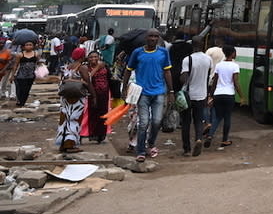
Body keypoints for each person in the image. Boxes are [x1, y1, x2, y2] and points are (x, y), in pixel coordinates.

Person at [122, 29, 173, 162]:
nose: (153, 39)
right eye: (151, 36)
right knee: (143, 123)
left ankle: (151, 143)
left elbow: (167, 72)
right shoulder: (137, 53)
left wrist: (171, 91)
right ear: (146, 38)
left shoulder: (163, 53)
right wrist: (124, 89)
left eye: (156, 36)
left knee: (156, 121)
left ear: (159, 39)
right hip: (142, 94)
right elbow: (128, 71)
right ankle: (140, 151)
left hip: (159, 92)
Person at [180, 37, 212, 157]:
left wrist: (182, 76)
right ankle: (198, 139)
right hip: (202, 94)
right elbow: (208, 76)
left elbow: (184, 79)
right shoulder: (208, 59)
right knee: (199, 120)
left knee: (186, 122)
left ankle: (187, 149)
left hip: (188, 95)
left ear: (192, 45)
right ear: (203, 44)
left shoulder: (187, 59)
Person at [55, 48, 90, 153]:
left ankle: (62, 143)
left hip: (66, 97)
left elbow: (62, 80)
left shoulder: (67, 67)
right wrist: (93, 95)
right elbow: (88, 82)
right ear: (82, 56)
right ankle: (70, 144)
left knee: (64, 120)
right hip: (77, 98)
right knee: (74, 120)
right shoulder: (82, 67)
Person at [207, 45, 240, 150]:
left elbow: (215, 82)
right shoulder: (235, 66)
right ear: (233, 53)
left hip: (218, 94)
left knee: (217, 117)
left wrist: (210, 96)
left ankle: (210, 135)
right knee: (227, 118)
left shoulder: (219, 65)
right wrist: (242, 96)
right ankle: (225, 140)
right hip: (229, 95)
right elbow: (235, 82)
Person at [84, 51, 111, 143]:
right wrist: (97, 68)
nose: (93, 59)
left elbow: (109, 78)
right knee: (93, 114)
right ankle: (93, 134)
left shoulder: (105, 66)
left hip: (104, 93)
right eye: (91, 57)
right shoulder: (86, 68)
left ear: (99, 57)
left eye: (95, 57)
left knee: (103, 114)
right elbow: (88, 78)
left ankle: (101, 135)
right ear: (88, 59)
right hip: (92, 93)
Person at [11, 41, 39, 107]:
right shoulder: (20, 55)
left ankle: (22, 102)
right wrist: (12, 75)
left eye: (30, 45)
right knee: (20, 89)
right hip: (21, 75)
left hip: (31, 75)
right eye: (27, 45)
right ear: (23, 46)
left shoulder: (36, 54)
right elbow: (16, 65)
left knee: (27, 90)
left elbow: (38, 63)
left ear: (33, 46)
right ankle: (19, 100)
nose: (28, 46)